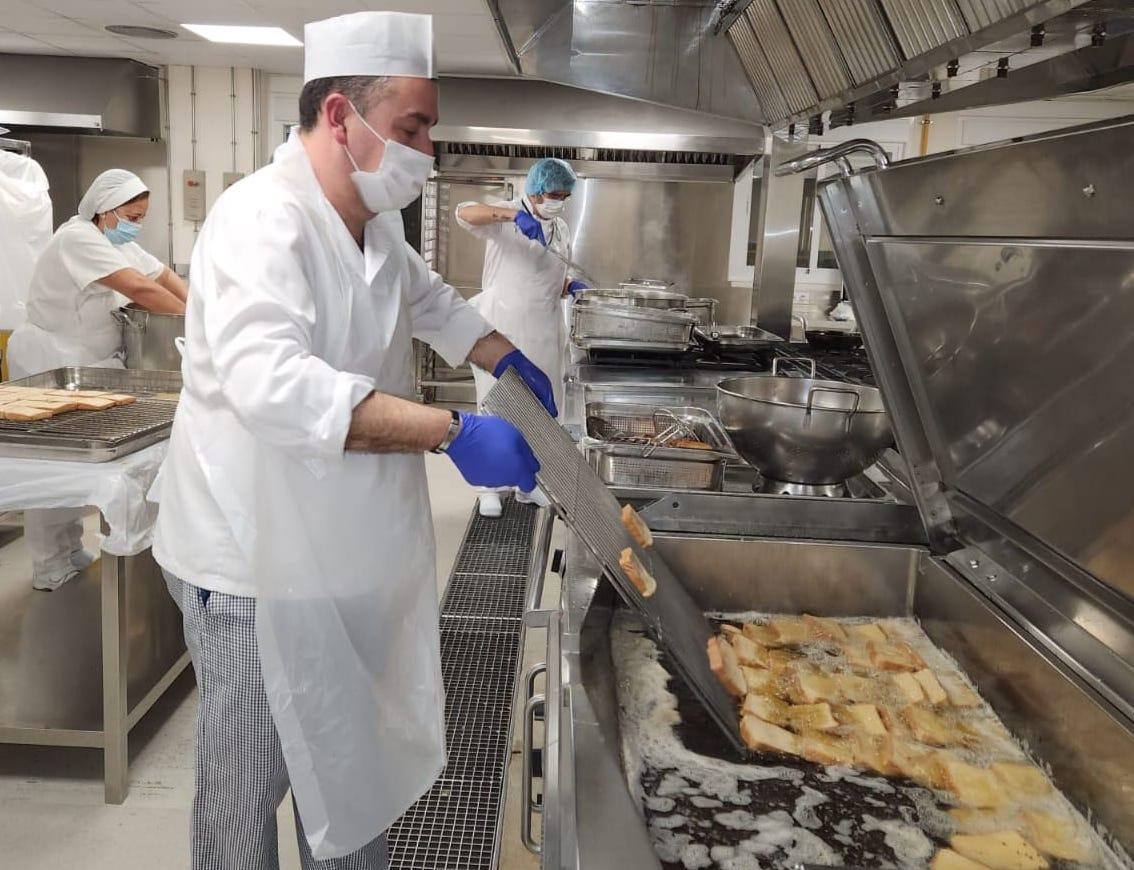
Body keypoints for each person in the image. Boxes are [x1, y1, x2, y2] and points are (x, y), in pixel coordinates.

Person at [150, 11, 553, 869]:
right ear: (341, 116)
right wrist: (452, 431)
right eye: (412, 128)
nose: (426, 151)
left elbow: (437, 305)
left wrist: (510, 358)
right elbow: (275, 388)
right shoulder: (261, 221)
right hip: (248, 555)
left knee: (349, 759)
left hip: (338, 545)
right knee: (245, 787)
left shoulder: (372, 223)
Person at [8, 169, 187, 591]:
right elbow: (140, 289)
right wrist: (197, 322)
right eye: (132, 216)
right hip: (49, 359)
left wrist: (198, 306)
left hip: (85, 363)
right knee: (54, 465)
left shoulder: (110, 241)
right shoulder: (78, 239)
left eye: (142, 218)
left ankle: (68, 547)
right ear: (104, 210)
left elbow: (160, 276)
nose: (135, 225)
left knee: (75, 468)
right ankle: (49, 561)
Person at [456, 157, 588, 517]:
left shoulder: (560, 229)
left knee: (542, 413)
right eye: (552, 193)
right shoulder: (506, 213)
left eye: (564, 194)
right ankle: (489, 489)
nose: (558, 199)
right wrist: (512, 216)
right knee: (497, 406)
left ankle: (531, 485)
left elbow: (543, 279)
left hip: (545, 331)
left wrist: (569, 285)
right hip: (503, 330)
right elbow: (465, 213)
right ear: (534, 190)